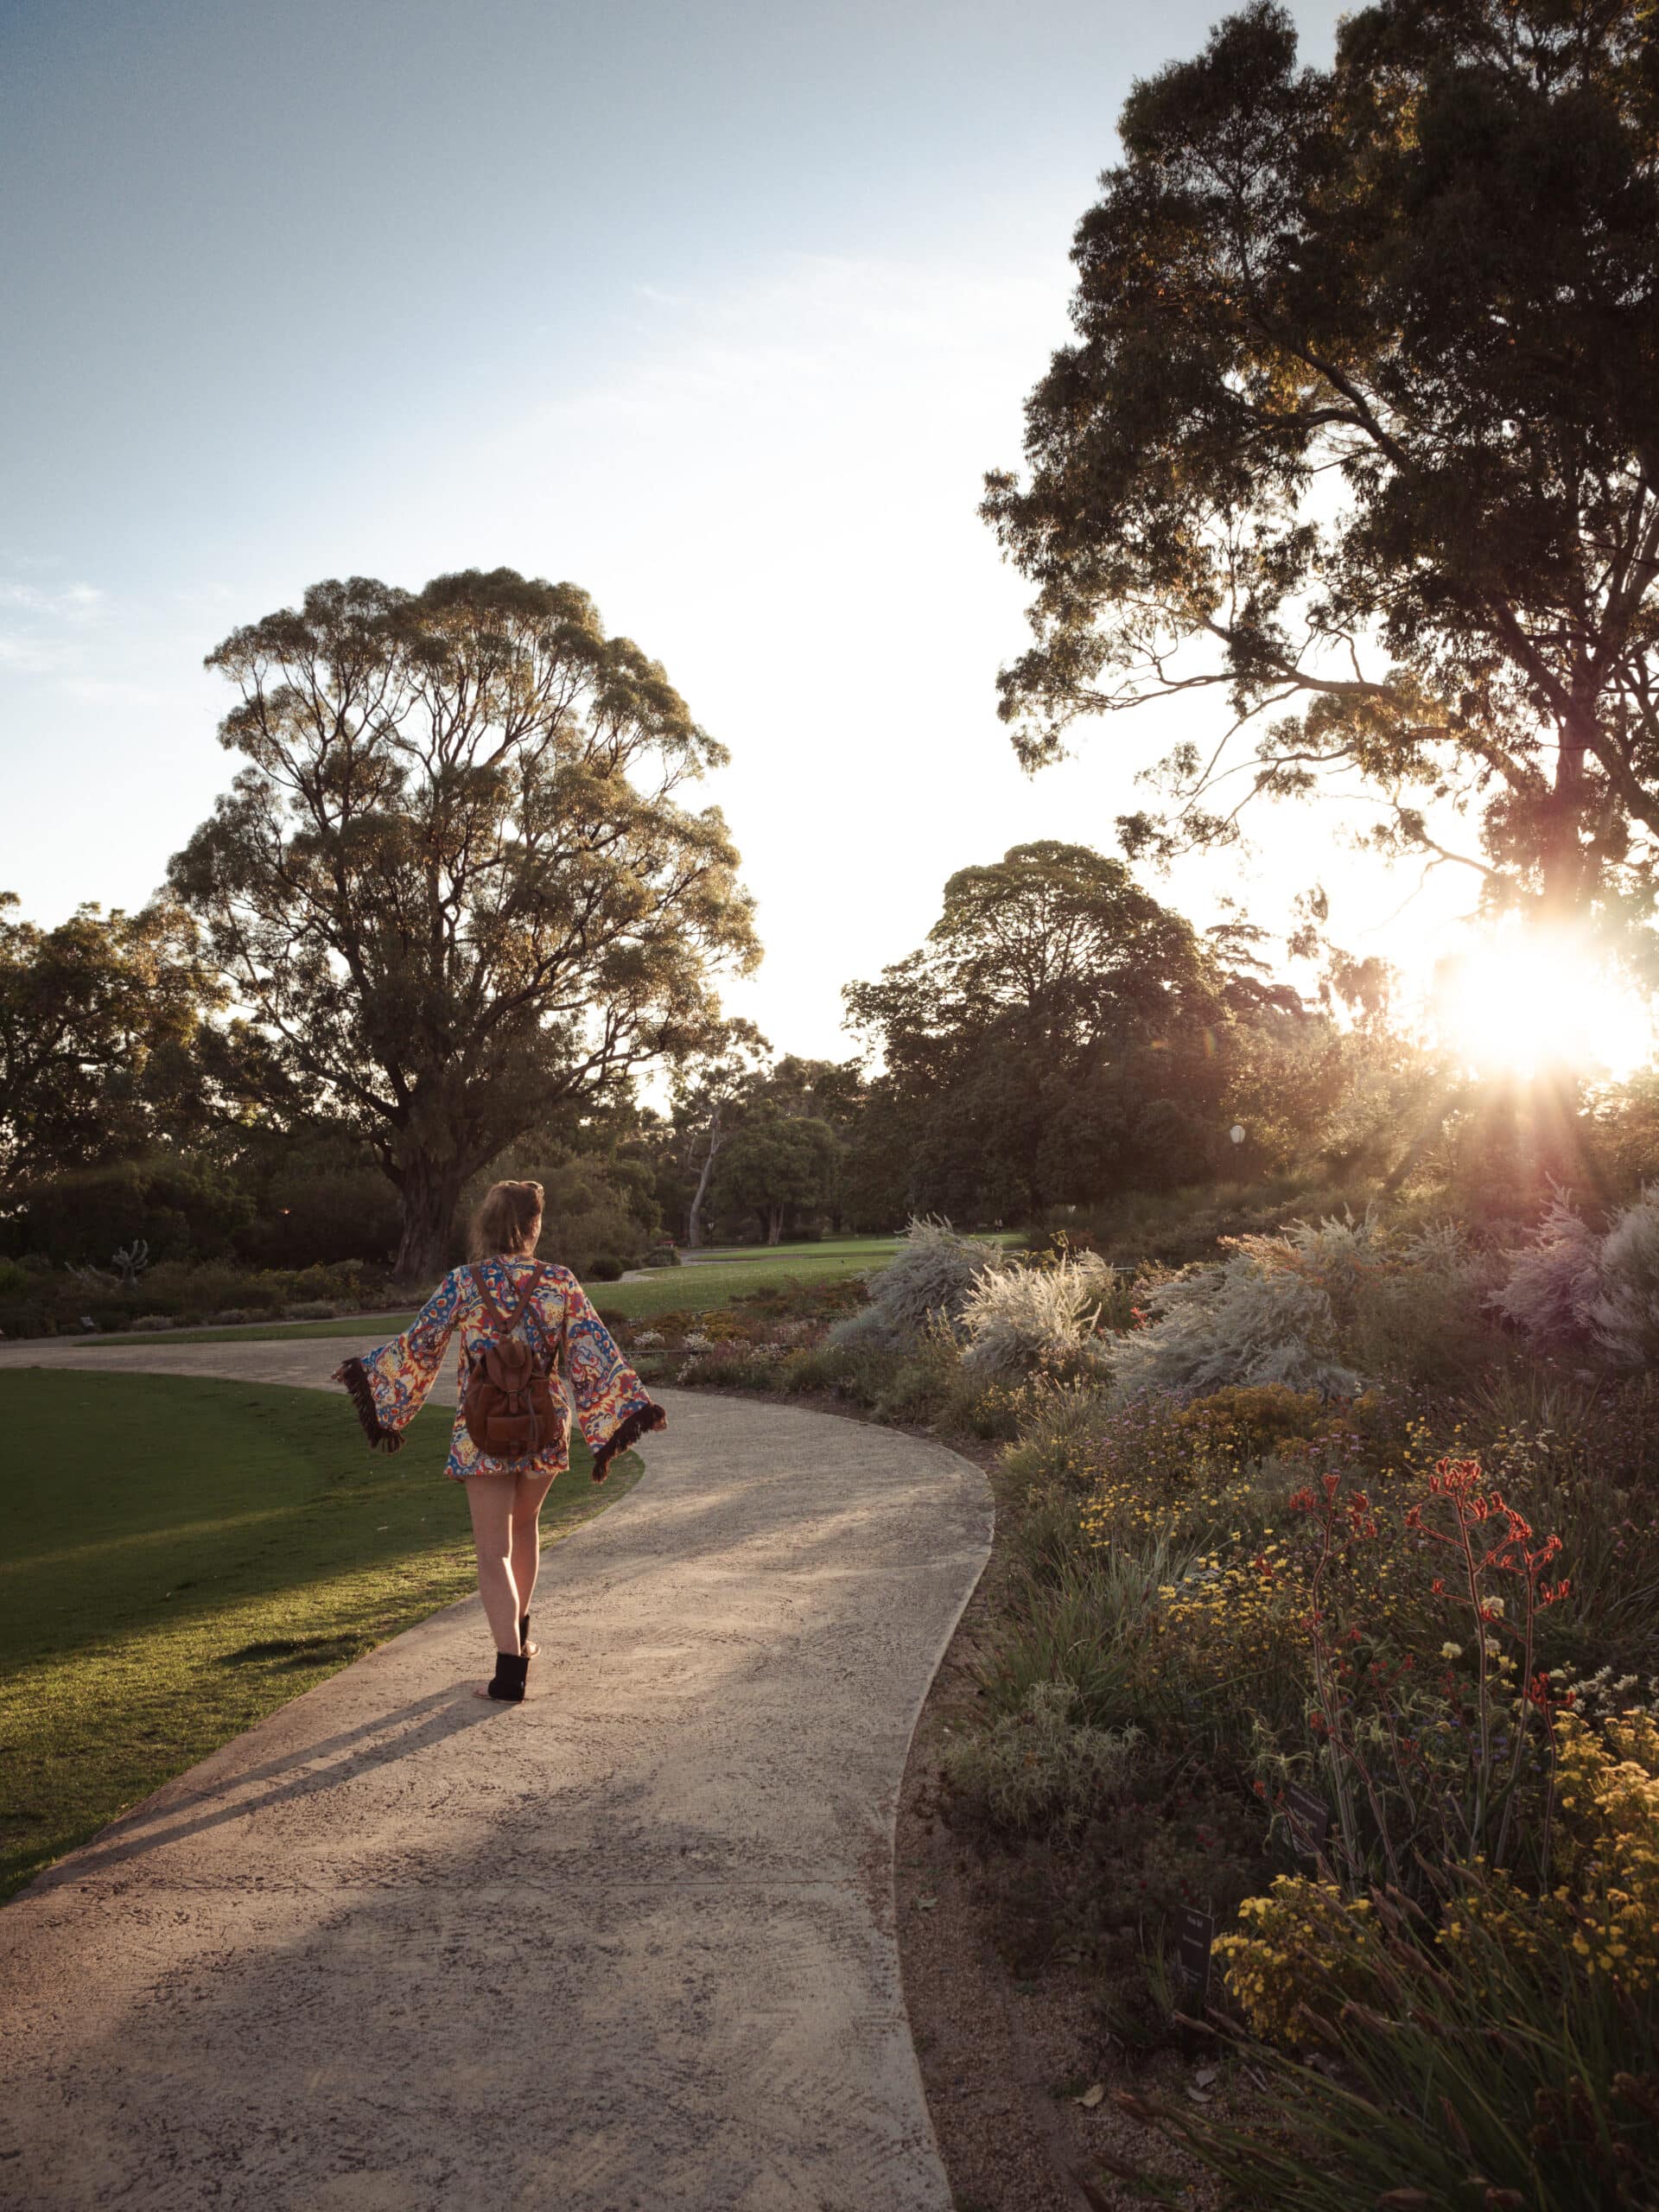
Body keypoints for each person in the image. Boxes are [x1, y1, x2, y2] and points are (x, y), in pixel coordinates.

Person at [334, 1179, 665, 1702]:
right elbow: (594, 1355)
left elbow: (418, 1347)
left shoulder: (463, 1283)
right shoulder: (560, 1282)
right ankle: (521, 1638)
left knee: (492, 1553)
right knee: (526, 1525)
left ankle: (509, 1672)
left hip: (481, 1430)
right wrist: (627, 1408)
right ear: (534, 1226)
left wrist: (368, 1373)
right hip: (543, 1426)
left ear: (486, 1226)